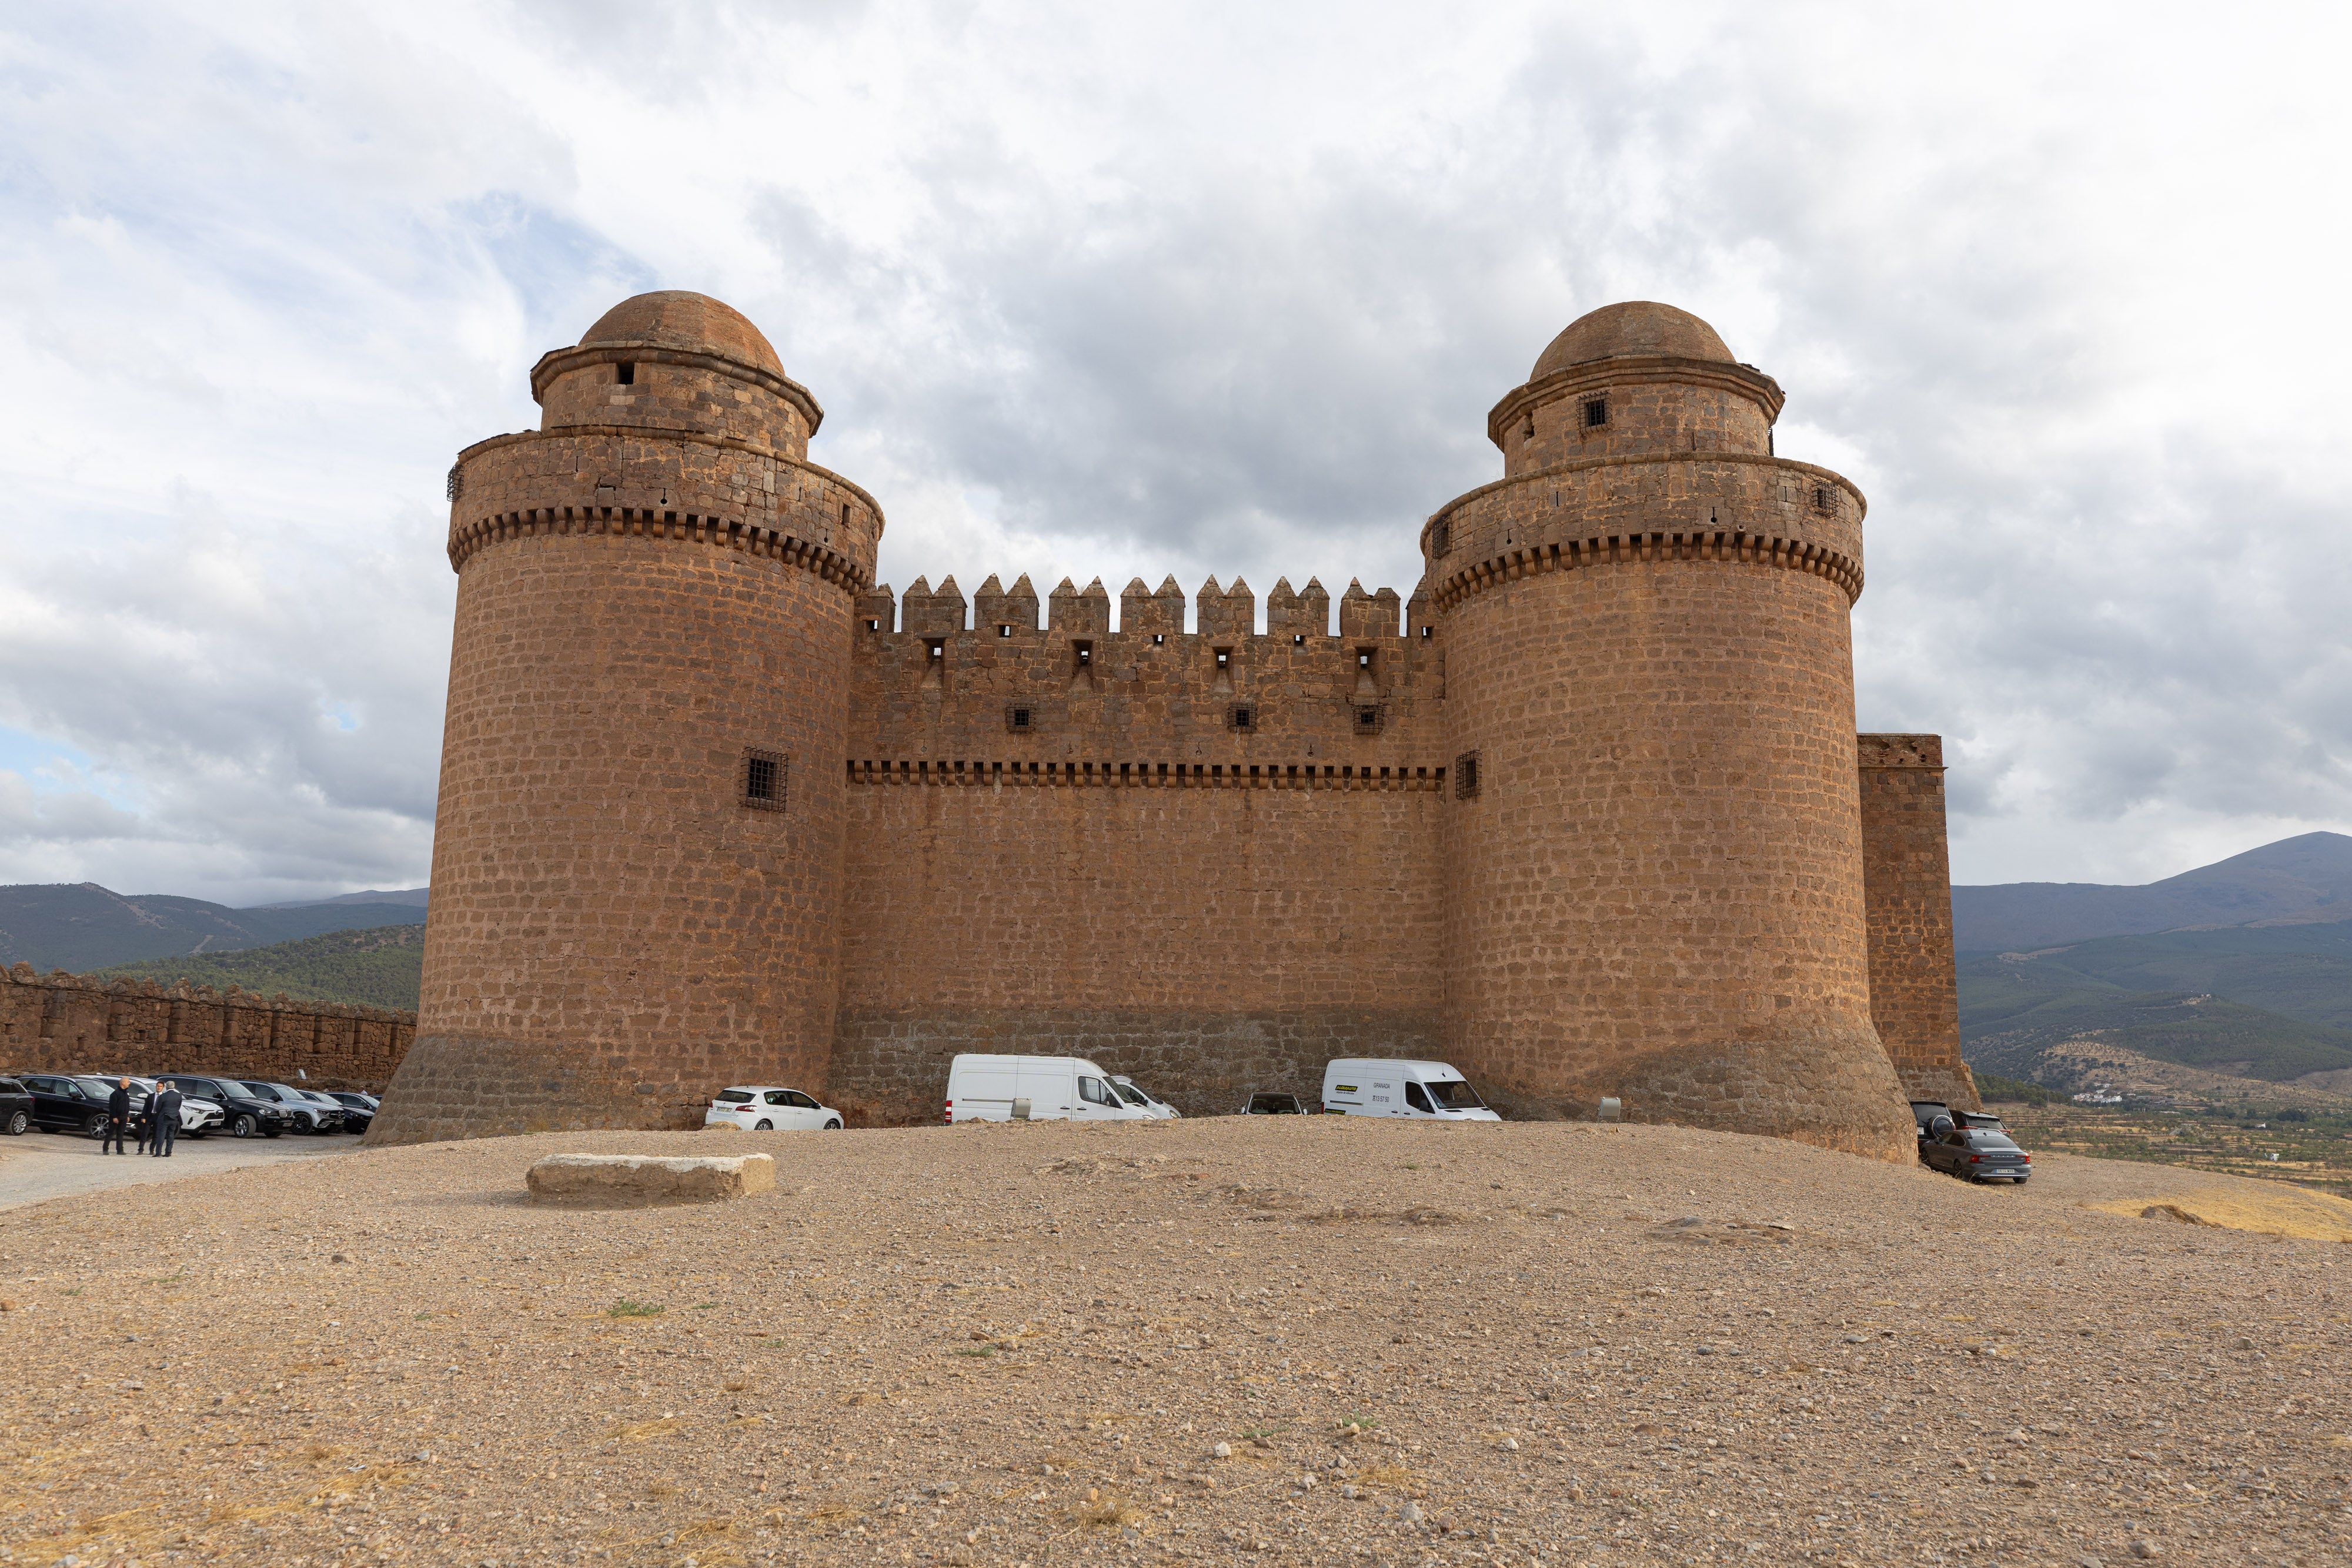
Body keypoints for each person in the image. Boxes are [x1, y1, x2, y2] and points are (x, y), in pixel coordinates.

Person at [150, 1080, 182, 1158]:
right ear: (174, 1087)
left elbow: (157, 1108)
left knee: (161, 1135)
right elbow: (179, 1106)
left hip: (164, 1117)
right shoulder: (179, 1096)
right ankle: (168, 1152)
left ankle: (158, 1152)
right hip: (174, 1118)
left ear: (166, 1087)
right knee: (171, 1135)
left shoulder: (163, 1096)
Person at [104, 1078, 132, 1155]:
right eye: (128, 1082)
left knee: (121, 1133)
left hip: (124, 1116)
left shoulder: (126, 1093)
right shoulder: (115, 1094)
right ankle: (105, 1149)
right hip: (116, 1117)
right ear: (123, 1083)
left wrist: (127, 1115)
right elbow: (112, 1107)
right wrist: (114, 1117)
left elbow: (127, 1105)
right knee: (111, 1133)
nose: (129, 1083)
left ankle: (120, 1150)